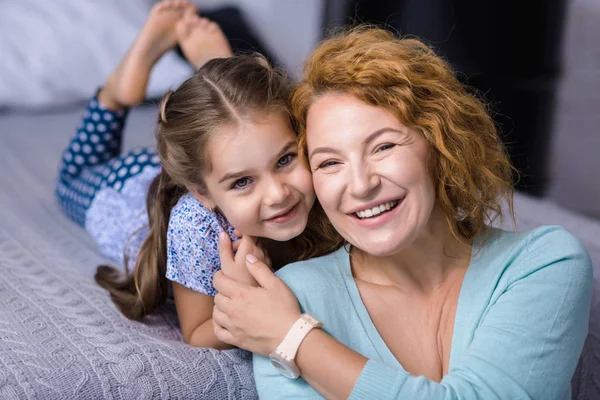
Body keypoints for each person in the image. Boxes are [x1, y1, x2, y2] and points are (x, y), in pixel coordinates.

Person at [211, 26, 593, 399]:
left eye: (383, 147)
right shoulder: (289, 297)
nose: (360, 186)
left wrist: (296, 339)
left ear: (442, 143)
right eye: (329, 163)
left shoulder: (544, 262)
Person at [55, 1, 336, 350]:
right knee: (70, 180)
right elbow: (198, 332)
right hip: (123, 188)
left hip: (207, 164)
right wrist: (245, 297)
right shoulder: (197, 225)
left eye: (285, 160)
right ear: (202, 194)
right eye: (244, 182)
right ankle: (114, 95)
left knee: (230, 137)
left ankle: (219, 81)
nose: (278, 194)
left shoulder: (322, 172)